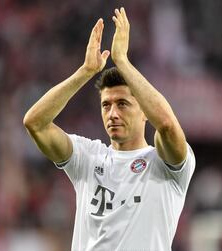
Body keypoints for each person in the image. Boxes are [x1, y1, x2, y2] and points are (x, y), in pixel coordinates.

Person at [23, 7, 195, 251]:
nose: (113, 113)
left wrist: (123, 62)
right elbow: (35, 123)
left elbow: (166, 125)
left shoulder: (167, 165)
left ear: (144, 111)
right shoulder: (88, 158)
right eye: (106, 105)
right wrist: (85, 72)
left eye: (123, 104)